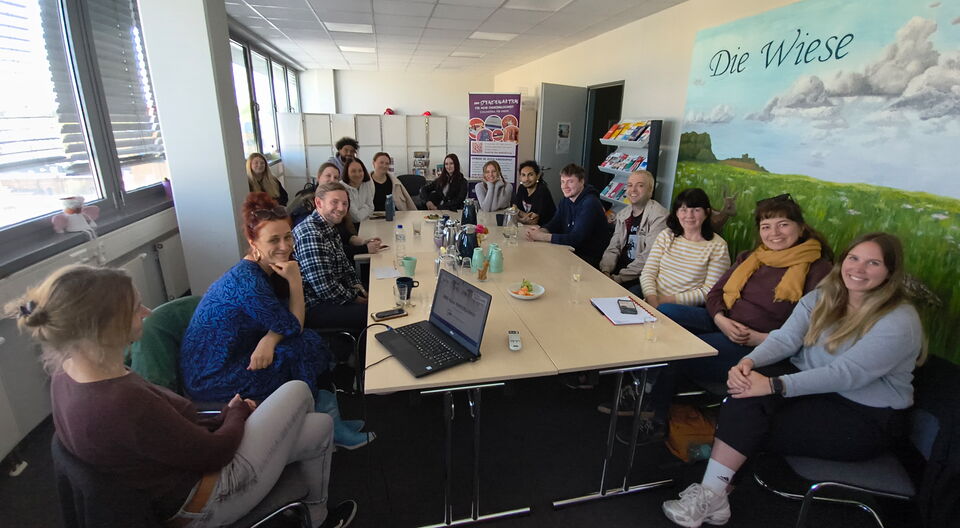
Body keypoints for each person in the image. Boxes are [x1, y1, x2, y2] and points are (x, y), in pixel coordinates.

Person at [7, 265, 358, 528]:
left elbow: (171, 434)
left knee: (318, 427)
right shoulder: (121, 401)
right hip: (206, 495)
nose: (146, 314)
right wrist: (235, 413)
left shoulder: (68, 379)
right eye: (136, 308)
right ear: (104, 326)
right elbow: (215, 452)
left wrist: (224, 416)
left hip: (183, 471)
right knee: (296, 390)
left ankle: (318, 514)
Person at [662, 233, 923, 528]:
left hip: (865, 418)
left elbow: (845, 374)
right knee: (745, 397)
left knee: (750, 423)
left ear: (890, 271)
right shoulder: (826, 296)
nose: (859, 269)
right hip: (813, 392)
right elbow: (786, 338)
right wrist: (748, 362)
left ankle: (715, 494)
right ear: (843, 260)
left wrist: (775, 385)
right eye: (854, 258)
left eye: (873, 263)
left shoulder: (899, 319)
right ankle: (714, 496)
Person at [615, 195, 832, 435]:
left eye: (783, 225)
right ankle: (645, 385)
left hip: (757, 341)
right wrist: (721, 319)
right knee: (663, 314)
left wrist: (761, 338)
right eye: (766, 226)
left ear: (800, 228)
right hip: (723, 321)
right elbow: (715, 294)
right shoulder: (751, 257)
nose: (775, 233)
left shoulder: (818, 269)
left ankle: (655, 415)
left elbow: (815, 327)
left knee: (677, 351)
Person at [181, 192, 373, 449]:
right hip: (214, 378)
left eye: (287, 237)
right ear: (253, 242)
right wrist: (295, 281)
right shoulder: (249, 282)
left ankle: (331, 419)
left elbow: (282, 322)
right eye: (274, 239)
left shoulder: (262, 269)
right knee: (305, 345)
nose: (285, 246)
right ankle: (330, 426)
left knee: (305, 342)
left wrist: (271, 338)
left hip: (236, 354)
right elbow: (295, 325)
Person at [293, 182, 368, 335]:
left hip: (334, 294)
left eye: (345, 203)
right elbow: (325, 289)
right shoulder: (311, 235)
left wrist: (358, 286)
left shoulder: (328, 226)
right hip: (315, 305)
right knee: (374, 313)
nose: (341, 208)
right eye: (334, 202)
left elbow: (345, 265)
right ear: (318, 203)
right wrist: (359, 300)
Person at [638, 188, 730, 305]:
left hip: (684, 307)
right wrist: (652, 299)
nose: (689, 215)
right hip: (653, 298)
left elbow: (708, 292)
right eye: (683, 209)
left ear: (707, 212)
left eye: (696, 210)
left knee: (666, 310)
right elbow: (648, 272)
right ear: (676, 213)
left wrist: (663, 302)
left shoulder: (718, 246)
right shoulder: (666, 235)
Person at [524, 163, 608, 268]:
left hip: (587, 260)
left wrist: (542, 236)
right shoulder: (566, 200)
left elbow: (575, 239)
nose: (565, 186)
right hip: (569, 252)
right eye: (562, 182)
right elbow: (555, 223)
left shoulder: (590, 203)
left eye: (570, 181)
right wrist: (539, 231)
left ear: (582, 181)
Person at [599, 170, 668, 290]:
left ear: (650, 191)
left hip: (640, 278)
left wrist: (617, 279)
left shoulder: (660, 216)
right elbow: (613, 247)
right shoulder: (623, 214)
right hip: (617, 272)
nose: (633, 190)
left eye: (640, 185)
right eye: (630, 185)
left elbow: (648, 257)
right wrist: (605, 271)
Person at [512, 160, 556, 226]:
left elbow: (533, 220)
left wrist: (519, 217)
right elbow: (514, 207)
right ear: (520, 177)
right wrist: (521, 215)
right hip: (528, 226)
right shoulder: (522, 187)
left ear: (537, 176)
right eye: (523, 175)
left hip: (544, 229)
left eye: (530, 175)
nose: (526, 179)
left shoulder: (542, 191)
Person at [343, 158, 374, 224]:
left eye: (360, 170)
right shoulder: (343, 187)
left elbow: (371, 208)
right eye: (353, 171)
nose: (357, 174)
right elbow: (356, 218)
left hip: (366, 222)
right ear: (347, 172)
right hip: (351, 226)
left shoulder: (366, 183)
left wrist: (363, 209)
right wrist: (366, 206)